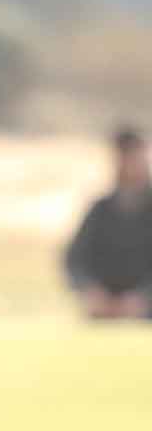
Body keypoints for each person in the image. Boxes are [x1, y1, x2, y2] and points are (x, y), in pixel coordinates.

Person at [65, 126, 152, 320]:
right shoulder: (101, 210)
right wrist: (90, 291)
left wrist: (145, 298)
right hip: (104, 312)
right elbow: (75, 260)